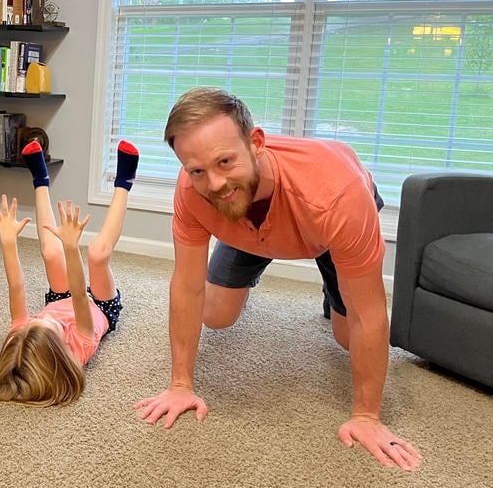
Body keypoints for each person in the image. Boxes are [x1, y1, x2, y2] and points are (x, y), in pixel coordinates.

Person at [134, 87, 423, 471]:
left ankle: (330, 282)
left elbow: (369, 313)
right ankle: (257, 261)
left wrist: (366, 417)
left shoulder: (338, 197)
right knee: (215, 314)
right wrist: (180, 386)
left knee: (347, 335)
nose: (215, 182)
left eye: (225, 161)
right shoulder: (196, 190)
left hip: (324, 221)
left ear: (256, 143)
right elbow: (187, 285)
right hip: (244, 220)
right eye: (198, 170)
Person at [0, 139, 139, 406]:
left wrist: (8, 241)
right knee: (98, 254)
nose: (39, 318)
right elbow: (80, 295)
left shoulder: (22, 336)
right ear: (59, 348)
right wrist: (71, 247)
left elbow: (16, 287)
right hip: (98, 308)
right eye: (49, 324)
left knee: (49, 253)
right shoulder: (80, 346)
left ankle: (40, 180)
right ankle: (125, 182)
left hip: (61, 300)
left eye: (34, 320)